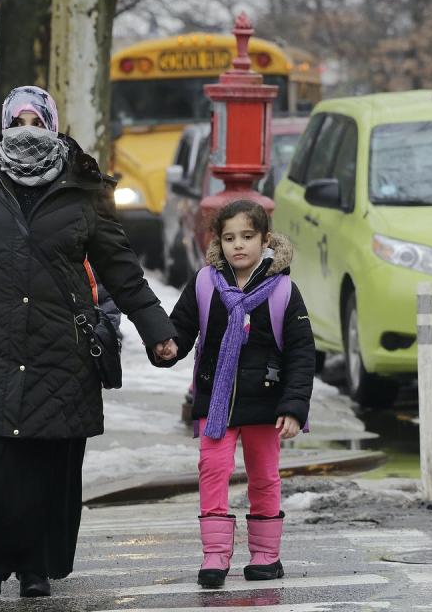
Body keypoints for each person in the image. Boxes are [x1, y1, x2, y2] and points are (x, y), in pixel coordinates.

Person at [0, 86, 178, 599]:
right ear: (3, 123)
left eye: (35, 119)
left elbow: (120, 267)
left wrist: (158, 330)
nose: (25, 127)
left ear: (52, 124)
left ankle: (34, 564)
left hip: (59, 344)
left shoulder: (82, 183)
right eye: (16, 118)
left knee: (46, 463)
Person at [151, 198, 314, 588]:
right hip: (216, 400)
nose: (238, 245)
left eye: (247, 236)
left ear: (265, 239)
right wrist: (166, 347)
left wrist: (293, 407)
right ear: (217, 242)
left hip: (266, 402)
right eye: (229, 238)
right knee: (213, 470)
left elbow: (302, 354)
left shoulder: (284, 292)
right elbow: (182, 328)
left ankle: (265, 556)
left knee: (263, 477)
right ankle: (215, 556)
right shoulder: (206, 283)